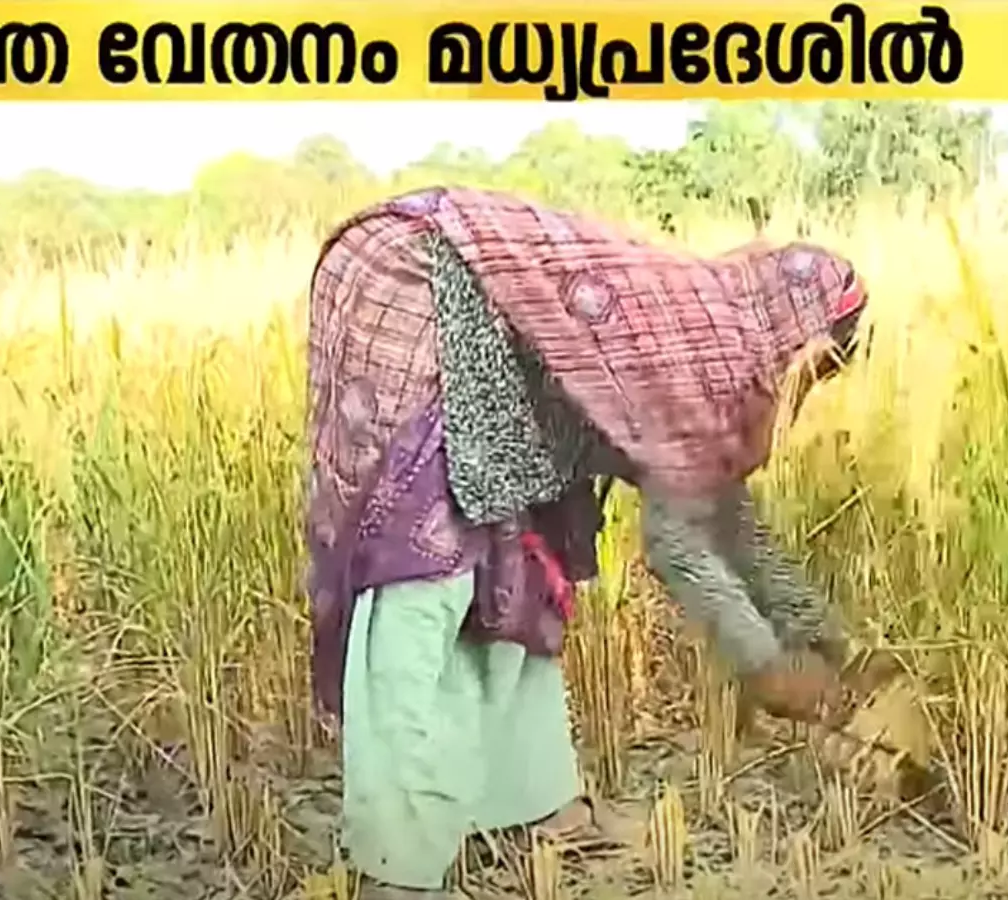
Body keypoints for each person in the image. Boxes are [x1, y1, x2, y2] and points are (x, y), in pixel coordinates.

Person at [306, 187, 869, 899]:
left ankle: (535, 806)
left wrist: (826, 638)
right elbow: (677, 541)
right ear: (806, 343)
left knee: (519, 575)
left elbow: (724, 513)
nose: (810, 389)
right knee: (424, 574)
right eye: (822, 370)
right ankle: (399, 866)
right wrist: (767, 666)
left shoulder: (726, 332)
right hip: (416, 280)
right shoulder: (712, 350)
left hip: (481, 316)